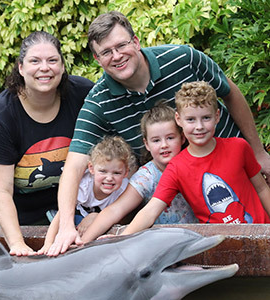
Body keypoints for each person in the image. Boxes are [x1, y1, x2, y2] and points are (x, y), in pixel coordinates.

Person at [48, 11, 270, 256]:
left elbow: (230, 92)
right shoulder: (100, 102)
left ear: (136, 42)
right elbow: (74, 165)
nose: (117, 56)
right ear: (97, 59)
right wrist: (68, 226)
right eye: (106, 52)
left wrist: (259, 153)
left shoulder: (184, 58)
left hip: (237, 172)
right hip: (191, 204)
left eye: (121, 45)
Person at [0, 31, 94, 256]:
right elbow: (1, 191)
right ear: (21, 68)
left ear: (62, 66)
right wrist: (17, 243)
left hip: (83, 206)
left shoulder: (83, 94)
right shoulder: (0, 117)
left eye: (52, 60)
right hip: (31, 218)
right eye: (35, 61)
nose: (45, 68)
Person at [121, 81, 270, 236]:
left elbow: (262, 188)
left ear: (217, 116)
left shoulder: (239, 147)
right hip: (221, 247)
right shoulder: (176, 168)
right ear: (179, 120)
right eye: (191, 119)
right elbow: (151, 211)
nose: (199, 126)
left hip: (262, 236)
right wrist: (121, 239)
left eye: (206, 117)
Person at [81, 101, 198, 244]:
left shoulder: (195, 163)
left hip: (198, 236)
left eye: (170, 138)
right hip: (162, 243)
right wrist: (82, 244)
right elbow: (115, 210)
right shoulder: (147, 176)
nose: (164, 145)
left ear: (182, 137)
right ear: (147, 144)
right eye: (156, 140)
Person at [38, 135, 133, 255]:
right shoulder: (83, 186)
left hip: (104, 223)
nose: (109, 178)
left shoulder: (125, 189)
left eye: (117, 173)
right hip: (78, 216)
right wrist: (47, 244)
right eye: (103, 171)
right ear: (91, 169)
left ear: (126, 173)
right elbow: (61, 215)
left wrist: (95, 217)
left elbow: (125, 216)